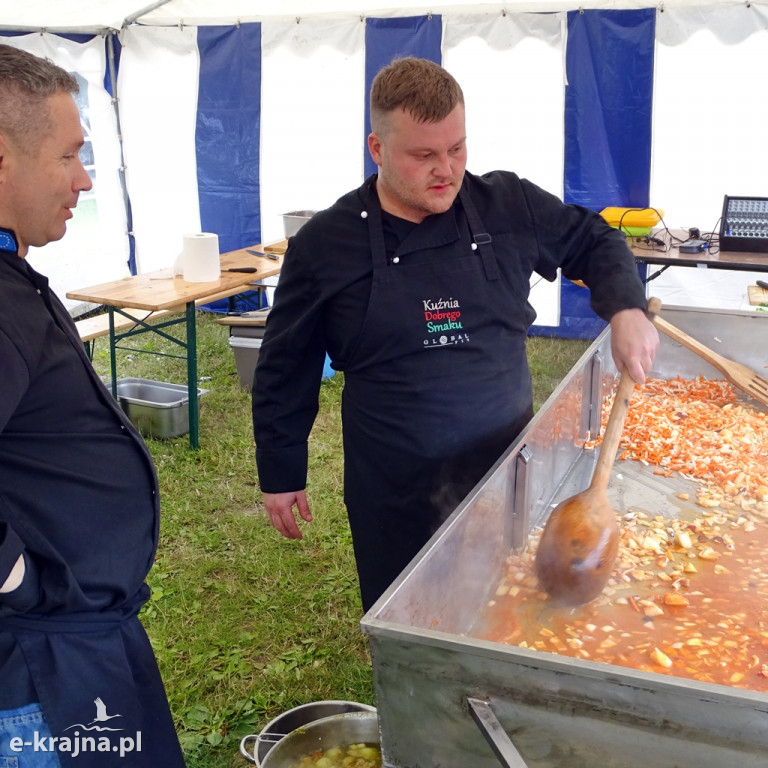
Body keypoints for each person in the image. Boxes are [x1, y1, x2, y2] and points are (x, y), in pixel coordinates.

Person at [252, 56, 659, 612]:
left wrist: (626, 308)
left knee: (506, 607)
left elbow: (593, 239)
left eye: (457, 149)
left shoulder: (507, 204)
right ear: (377, 149)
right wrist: (281, 470)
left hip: (506, 465)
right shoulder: (327, 244)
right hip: (395, 487)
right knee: (409, 618)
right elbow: (285, 363)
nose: (446, 169)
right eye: (423, 155)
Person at [0, 45, 185, 766]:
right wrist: (21, 581)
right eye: (70, 156)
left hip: (75, 636)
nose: (82, 180)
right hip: (46, 661)